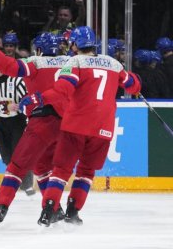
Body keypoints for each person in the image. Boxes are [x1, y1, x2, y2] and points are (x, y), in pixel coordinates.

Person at [20, 27, 141, 227]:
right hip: (103, 129)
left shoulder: (74, 61)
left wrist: (40, 97)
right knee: (86, 172)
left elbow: (63, 89)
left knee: (61, 169)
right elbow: (133, 85)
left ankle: (49, 210)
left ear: (75, 45)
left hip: (76, 125)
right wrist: (137, 82)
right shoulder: (114, 64)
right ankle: (73, 212)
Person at [0, 29, 69, 226]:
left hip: (42, 122)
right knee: (43, 168)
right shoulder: (71, 63)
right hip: (67, 125)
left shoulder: (35, 63)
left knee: (16, 166)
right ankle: (55, 209)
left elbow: (7, 66)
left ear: (40, 49)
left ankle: (1, 208)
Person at [0, 58, 34, 196]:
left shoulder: (17, 80)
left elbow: (28, 100)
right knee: (6, 157)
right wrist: (5, 107)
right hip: (0, 122)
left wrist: (22, 107)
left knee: (20, 155)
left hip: (18, 122)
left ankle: (27, 184)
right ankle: (19, 181)